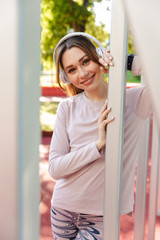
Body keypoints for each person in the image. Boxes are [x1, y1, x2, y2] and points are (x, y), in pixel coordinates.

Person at [48, 33, 152, 240]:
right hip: (62, 208)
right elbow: (55, 168)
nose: (83, 73)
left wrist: (126, 61)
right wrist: (97, 145)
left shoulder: (135, 101)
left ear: (99, 57)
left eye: (86, 61)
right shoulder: (67, 108)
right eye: (72, 70)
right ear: (66, 77)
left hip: (100, 214)